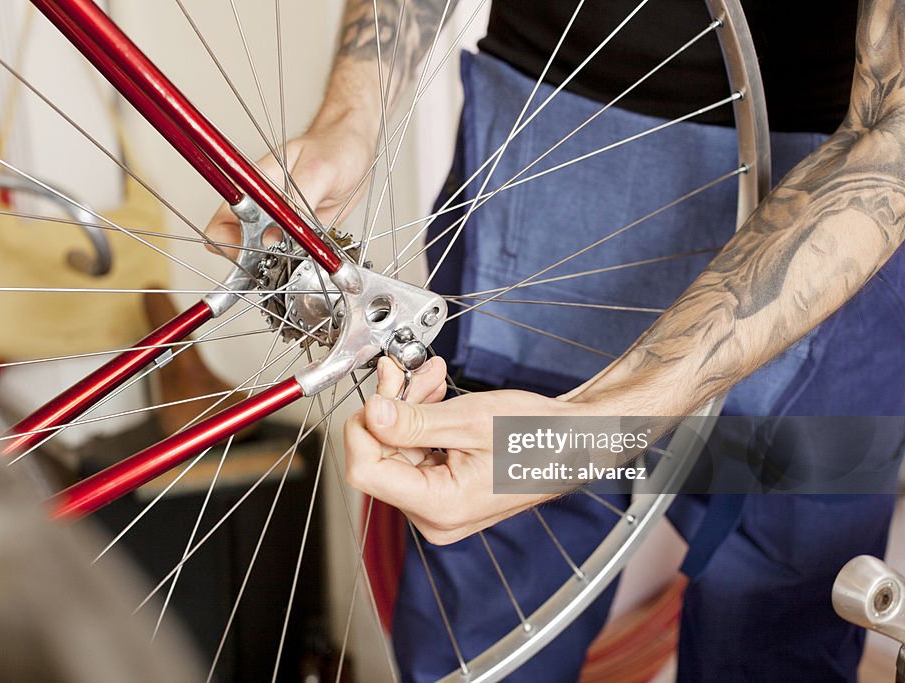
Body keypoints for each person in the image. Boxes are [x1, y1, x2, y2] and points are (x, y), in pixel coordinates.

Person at [208, 0, 905, 680]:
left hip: (833, 238)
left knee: (782, 629)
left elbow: (892, 134)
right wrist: (349, 120)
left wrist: (587, 433)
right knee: (490, 633)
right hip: (544, 175)